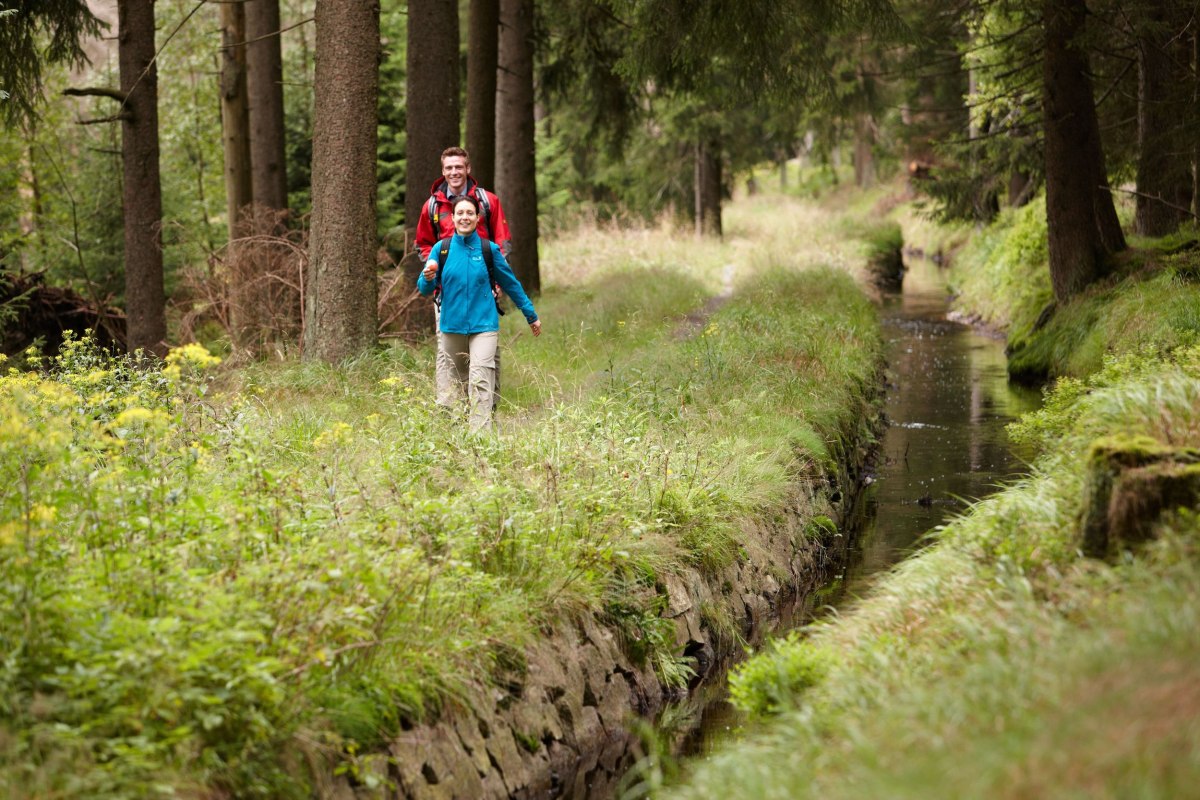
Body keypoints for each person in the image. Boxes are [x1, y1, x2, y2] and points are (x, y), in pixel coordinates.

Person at [417, 195, 541, 432]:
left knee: (481, 380)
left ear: (477, 217)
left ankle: (481, 439)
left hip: (484, 326)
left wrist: (531, 315)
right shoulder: (441, 250)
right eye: (460, 213)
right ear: (452, 218)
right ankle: (462, 433)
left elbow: (512, 284)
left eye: (470, 213)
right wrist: (427, 276)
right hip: (451, 327)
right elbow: (424, 289)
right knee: (460, 384)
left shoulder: (488, 250)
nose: (465, 217)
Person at [415, 146, 513, 408]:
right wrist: (433, 266)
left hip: (483, 289)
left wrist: (496, 282)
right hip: (448, 293)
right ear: (443, 171)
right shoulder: (432, 205)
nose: (454, 172)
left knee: (488, 346)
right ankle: (449, 407)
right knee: (445, 348)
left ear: (468, 168)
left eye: (459, 167)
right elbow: (423, 244)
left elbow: (501, 245)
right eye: (449, 168)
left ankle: (488, 405)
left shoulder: (488, 201)